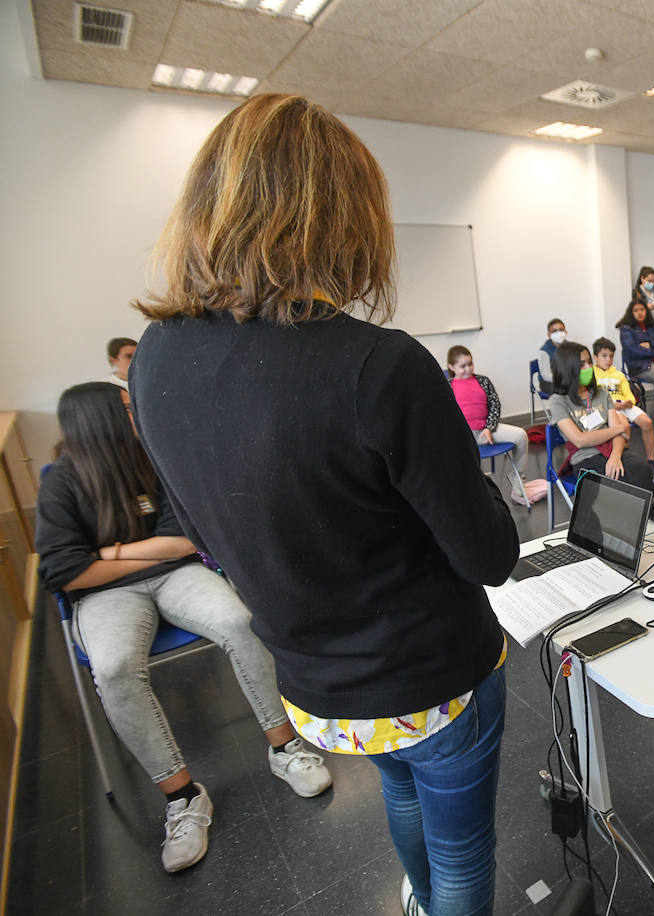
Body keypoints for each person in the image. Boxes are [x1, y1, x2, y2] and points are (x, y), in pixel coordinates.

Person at [128, 94, 519, 916]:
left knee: (402, 797)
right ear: (345, 218)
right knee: (462, 855)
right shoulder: (379, 365)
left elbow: (203, 530)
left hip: (314, 686)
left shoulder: (154, 357)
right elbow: (491, 556)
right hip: (429, 681)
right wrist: (465, 476)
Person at [35, 382, 333, 873]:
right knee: (112, 669)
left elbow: (183, 540)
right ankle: (183, 797)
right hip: (103, 597)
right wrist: (126, 559)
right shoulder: (62, 482)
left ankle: (285, 748)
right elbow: (64, 571)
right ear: (100, 420)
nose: (137, 413)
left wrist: (106, 553)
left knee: (240, 622)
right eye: (128, 409)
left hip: (175, 576)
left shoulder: (152, 458)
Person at [546, 342, 654, 491]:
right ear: (567, 368)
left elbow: (619, 434)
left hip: (613, 450)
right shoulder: (558, 401)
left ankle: (653, 511)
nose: (588, 368)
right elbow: (580, 440)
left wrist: (616, 456)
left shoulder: (601, 392)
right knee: (624, 482)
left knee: (642, 468)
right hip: (586, 458)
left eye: (589, 362)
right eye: (581, 364)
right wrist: (617, 429)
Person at [448, 345, 531, 504]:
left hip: (487, 430)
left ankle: (517, 479)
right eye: (462, 366)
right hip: (464, 435)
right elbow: (447, 415)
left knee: (520, 435)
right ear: (451, 367)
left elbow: (495, 405)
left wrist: (488, 428)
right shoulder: (448, 386)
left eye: (470, 364)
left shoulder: (482, 381)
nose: (468, 369)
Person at [591, 336, 654, 485]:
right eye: (604, 356)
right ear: (595, 357)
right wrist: (613, 405)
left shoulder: (618, 374)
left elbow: (628, 391)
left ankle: (651, 461)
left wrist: (629, 401)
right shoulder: (593, 375)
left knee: (647, 422)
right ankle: (625, 459)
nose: (608, 359)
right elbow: (595, 399)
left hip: (625, 405)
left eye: (611, 356)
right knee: (623, 426)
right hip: (610, 409)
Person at [615, 300, 654, 402]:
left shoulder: (651, 326)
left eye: (642, 309)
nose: (640, 313)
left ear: (646, 311)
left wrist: (650, 344)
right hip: (640, 366)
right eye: (636, 310)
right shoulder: (626, 330)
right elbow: (634, 350)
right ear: (631, 313)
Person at [536, 318, 568, 392]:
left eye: (561, 330)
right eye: (554, 331)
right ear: (549, 334)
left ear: (565, 332)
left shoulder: (570, 346)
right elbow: (546, 376)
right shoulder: (544, 351)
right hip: (548, 382)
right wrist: (564, 380)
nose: (558, 333)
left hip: (566, 379)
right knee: (565, 390)